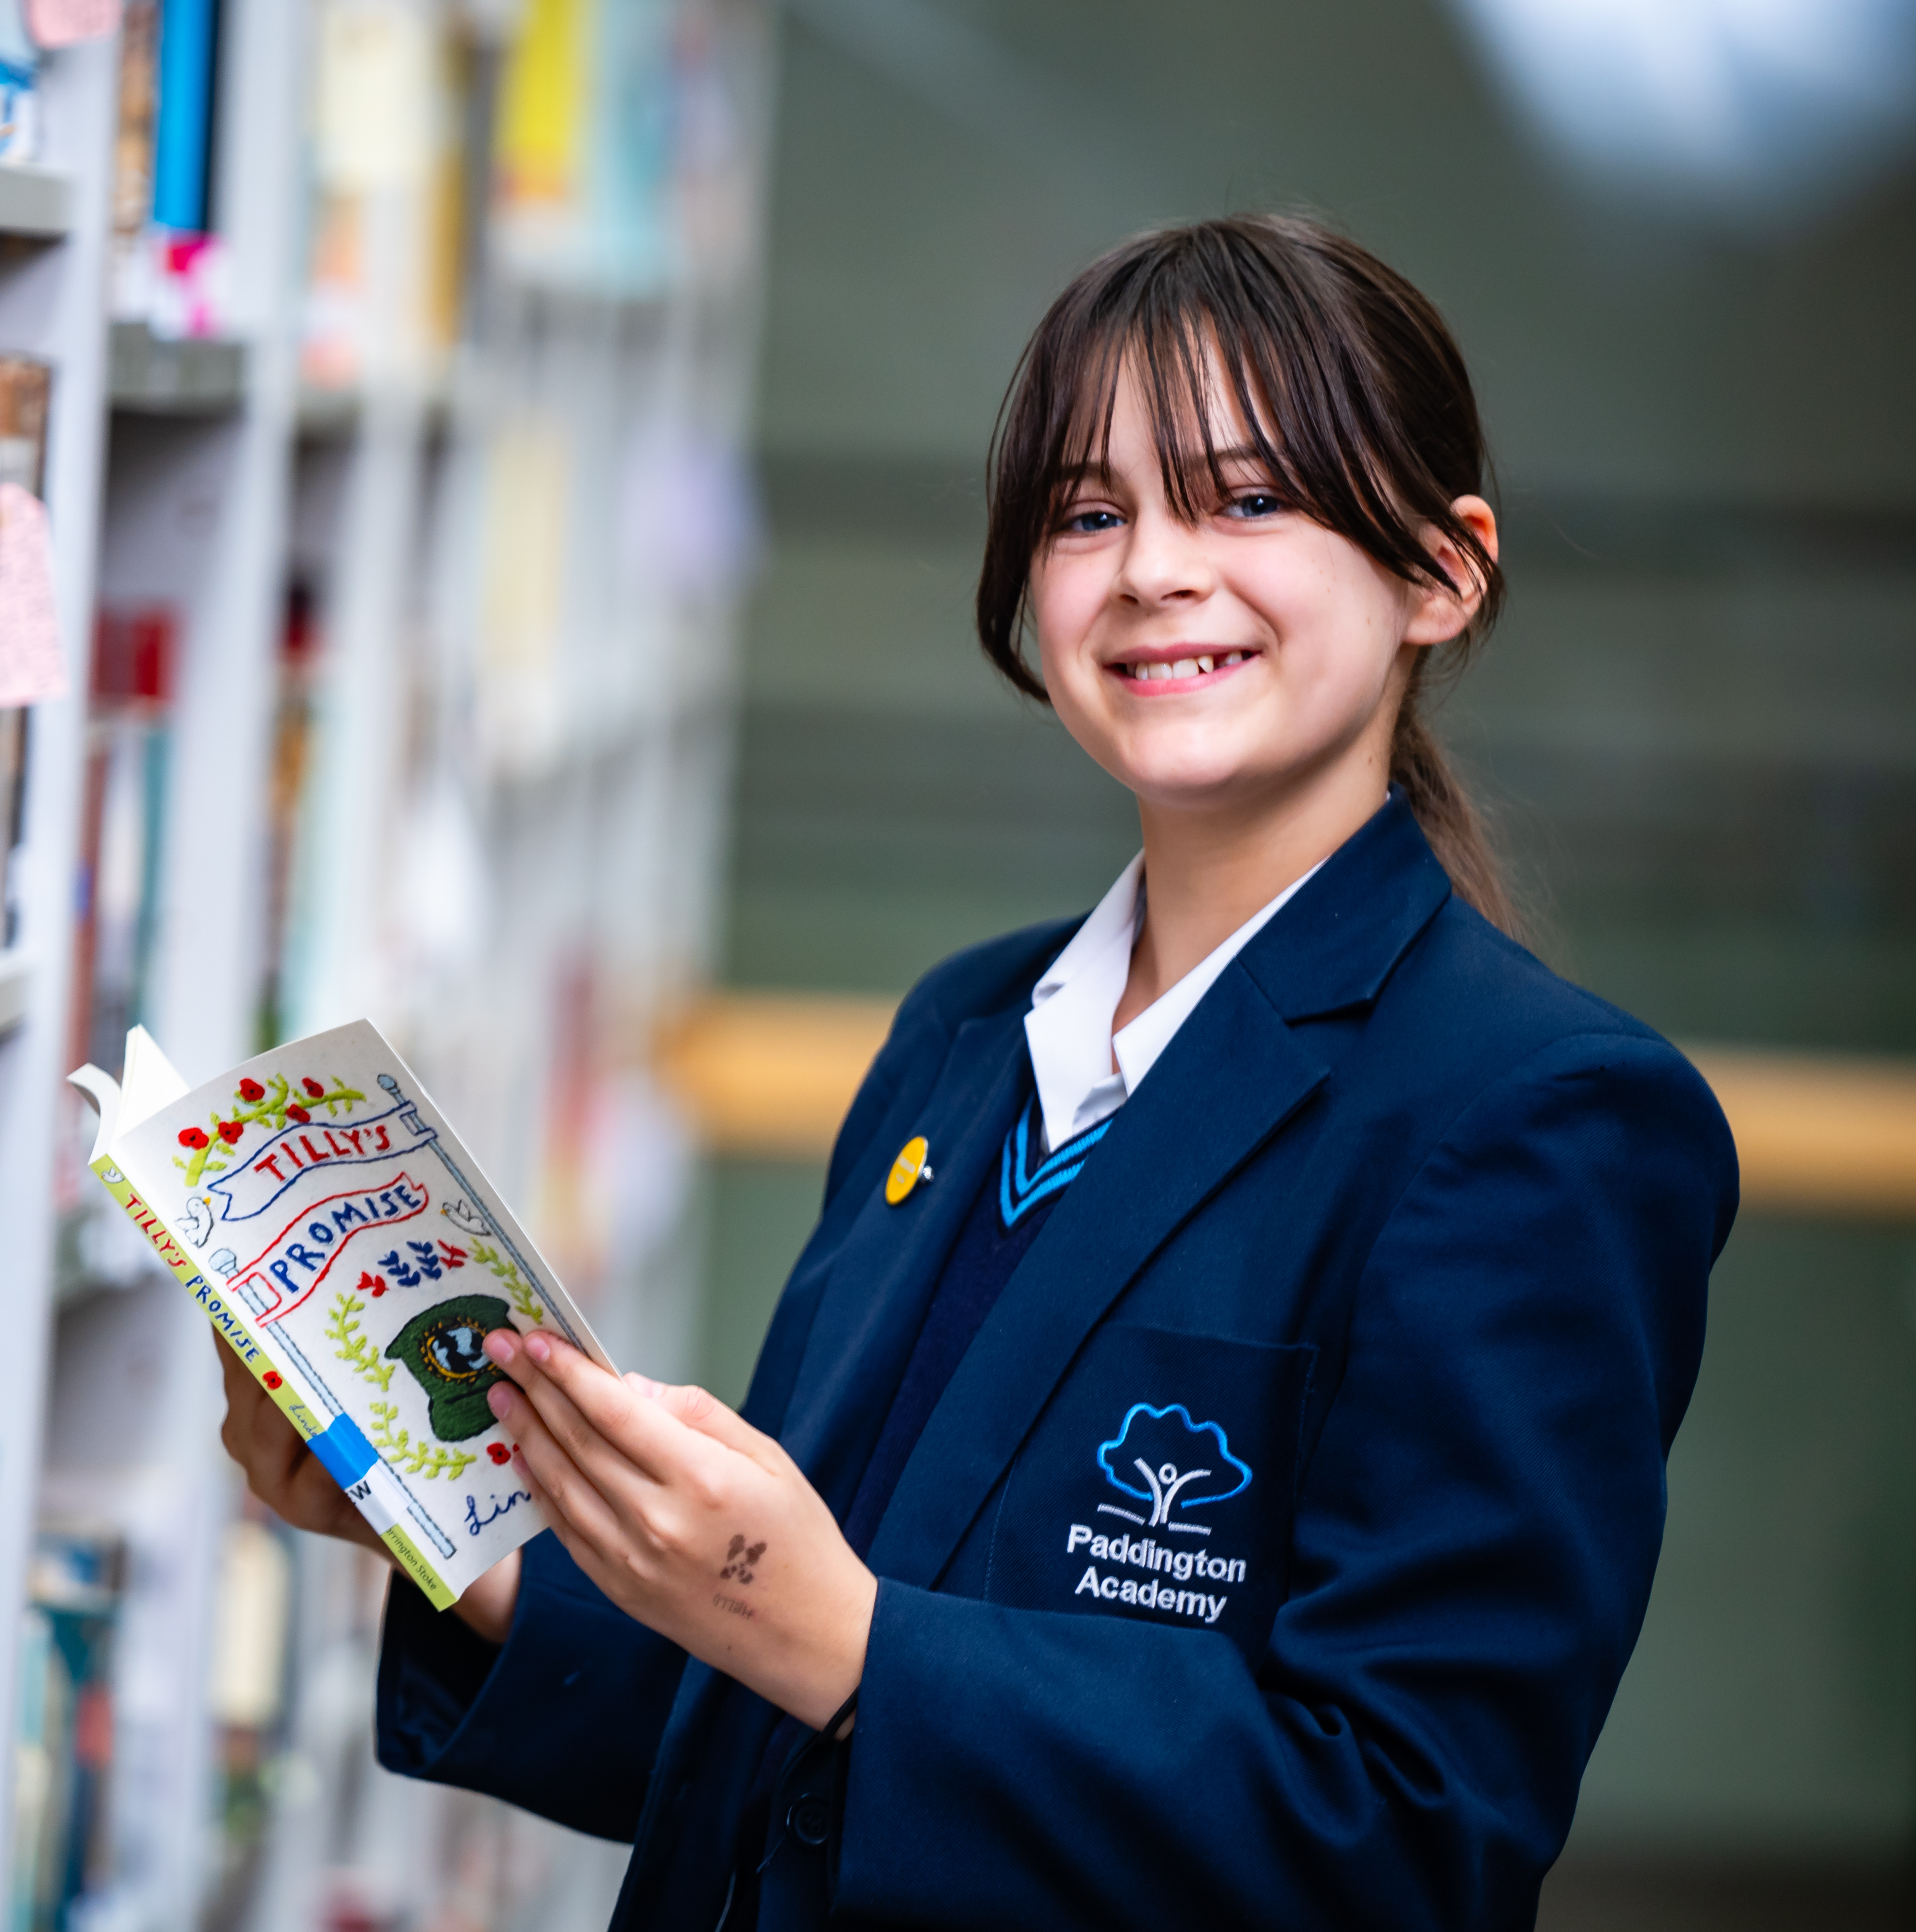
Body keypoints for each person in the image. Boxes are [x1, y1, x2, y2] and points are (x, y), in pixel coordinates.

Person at [212, 213, 1736, 1929]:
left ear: (1442, 573)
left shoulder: (1539, 1120)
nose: (1156, 569)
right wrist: (468, 1552)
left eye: (1245, 498)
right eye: (1092, 515)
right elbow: (771, 1728)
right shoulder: (963, 1033)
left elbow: (1406, 1840)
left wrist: (855, 1648)